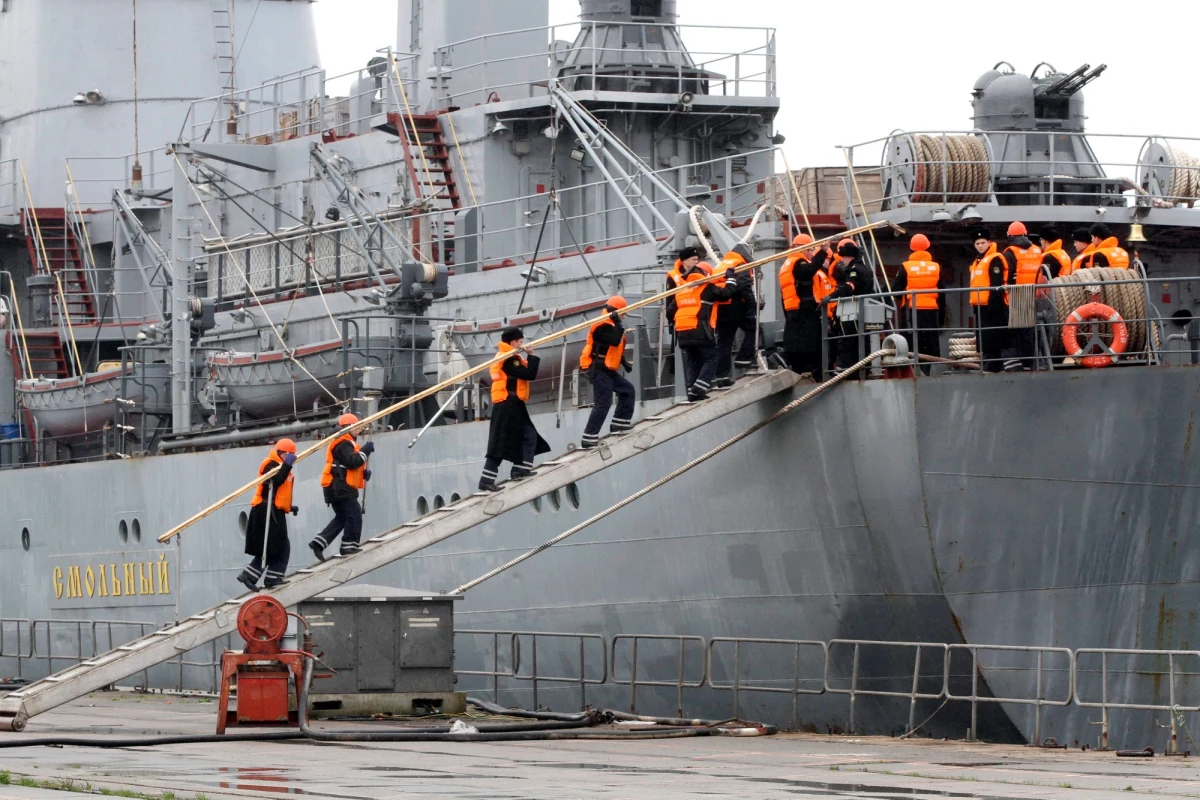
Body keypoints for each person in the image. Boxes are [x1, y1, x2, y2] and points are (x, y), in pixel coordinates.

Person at [479, 327, 550, 491]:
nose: (522, 344)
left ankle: (520, 469)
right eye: (520, 342)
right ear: (513, 342)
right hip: (507, 403)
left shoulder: (508, 356)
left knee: (528, 435)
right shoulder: (509, 359)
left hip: (513, 402)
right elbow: (529, 374)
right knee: (500, 441)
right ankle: (486, 480)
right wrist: (531, 355)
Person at [309, 413, 373, 561]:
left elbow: (345, 466)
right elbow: (352, 462)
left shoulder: (343, 442)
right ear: (350, 427)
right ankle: (348, 546)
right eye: (357, 428)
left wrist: (362, 474)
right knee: (354, 515)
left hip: (336, 487)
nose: (359, 431)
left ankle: (319, 543)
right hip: (340, 488)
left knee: (342, 517)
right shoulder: (343, 443)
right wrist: (366, 450)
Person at [237, 439, 298, 592]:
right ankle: (268, 577)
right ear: (284, 454)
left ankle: (257, 576)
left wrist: (290, 507)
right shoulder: (270, 464)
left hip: (273, 511)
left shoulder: (280, 465)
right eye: (290, 455)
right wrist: (287, 465)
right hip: (265, 511)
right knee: (279, 545)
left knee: (275, 546)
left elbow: (277, 494)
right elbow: (276, 480)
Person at [674, 259, 738, 400]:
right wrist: (731, 278)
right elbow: (726, 293)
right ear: (706, 274)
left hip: (682, 331)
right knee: (712, 358)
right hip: (699, 329)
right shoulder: (706, 287)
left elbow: (670, 311)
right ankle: (699, 389)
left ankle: (691, 391)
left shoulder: (682, 289)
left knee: (693, 361)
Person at [580, 296, 635, 449]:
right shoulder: (601, 326)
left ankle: (619, 423)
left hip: (608, 369)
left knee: (628, 390)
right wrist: (618, 323)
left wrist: (624, 362)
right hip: (599, 369)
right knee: (603, 403)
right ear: (616, 312)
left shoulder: (610, 325)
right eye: (623, 313)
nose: (624, 316)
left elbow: (612, 350)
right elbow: (614, 340)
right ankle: (589, 437)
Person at [892, 233, 945, 374]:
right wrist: (941, 320)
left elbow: (896, 291)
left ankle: (915, 372)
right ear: (928, 247)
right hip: (932, 312)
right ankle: (926, 371)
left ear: (911, 248)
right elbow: (942, 295)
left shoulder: (905, 267)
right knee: (928, 344)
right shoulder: (936, 267)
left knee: (913, 343)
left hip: (912, 311)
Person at [779, 234, 830, 377]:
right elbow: (808, 271)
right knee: (808, 344)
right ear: (804, 249)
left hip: (793, 308)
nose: (812, 254)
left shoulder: (788, 262)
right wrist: (823, 251)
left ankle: (802, 369)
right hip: (803, 309)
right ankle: (812, 373)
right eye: (811, 250)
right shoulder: (798, 262)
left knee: (798, 343)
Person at [825, 238, 873, 372]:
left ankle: (845, 369)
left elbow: (850, 286)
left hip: (854, 313)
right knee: (862, 342)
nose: (842, 260)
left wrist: (831, 297)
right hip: (865, 311)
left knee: (849, 340)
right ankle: (863, 369)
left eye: (843, 257)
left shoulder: (855, 270)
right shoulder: (865, 268)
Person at [1001, 221, 1042, 372]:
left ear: (1009, 235)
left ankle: (1013, 364)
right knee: (1028, 332)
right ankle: (1028, 363)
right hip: (1033, 295)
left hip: (1015, 297)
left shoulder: (1010, 253)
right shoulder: (1037, 250)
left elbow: (1007, 276)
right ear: (1025, 234)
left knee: (1012, 331)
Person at [713, 243, 755, 386]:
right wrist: (752, 306)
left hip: (720, 308)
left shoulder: (720, 265)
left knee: (724, 342)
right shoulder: (740, 264)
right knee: (752, 328)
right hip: (735, 305)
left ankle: (721, 376)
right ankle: (744, 358)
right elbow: (744, 287)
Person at [967, 229, 1007, 373]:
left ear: (989, 243)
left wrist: (993, 306)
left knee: (992, 338)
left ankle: (993, 367)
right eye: (977, 243)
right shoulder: (978, 261)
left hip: (992, 306)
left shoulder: (995, 259)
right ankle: (989, 366)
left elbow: (996, 283)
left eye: (983, 242)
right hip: (980, 306)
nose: (980, 246)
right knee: (984, 339)